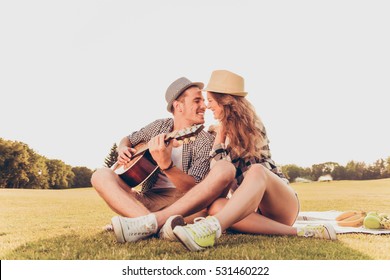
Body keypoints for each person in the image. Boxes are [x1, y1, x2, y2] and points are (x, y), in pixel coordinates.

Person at [109, 70, 336, 248]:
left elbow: (238, 171)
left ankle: (205, 229)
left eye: (209, 100)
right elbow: (219, 180)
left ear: (225, 102)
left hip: (278, 203)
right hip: (249, 211)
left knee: (256, 172)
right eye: (202, 100)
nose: (207, 106)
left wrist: (219, 138)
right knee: (216, 206)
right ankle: (301, 232)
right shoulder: (209, 131)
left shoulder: (251, 128)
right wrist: (218, 135)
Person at [91, 77, 215, 228]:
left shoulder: (205, 140)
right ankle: (150, 223)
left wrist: (166, 165)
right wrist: (123, 148)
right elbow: (128, 139)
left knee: (203, 210)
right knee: (100, 175)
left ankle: (141, 223)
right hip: (147, 199)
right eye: (197, 101)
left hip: (183, 202)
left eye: (203, 100)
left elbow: (195, 188)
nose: (204, 106)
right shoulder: (159, 126)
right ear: (179, 106)